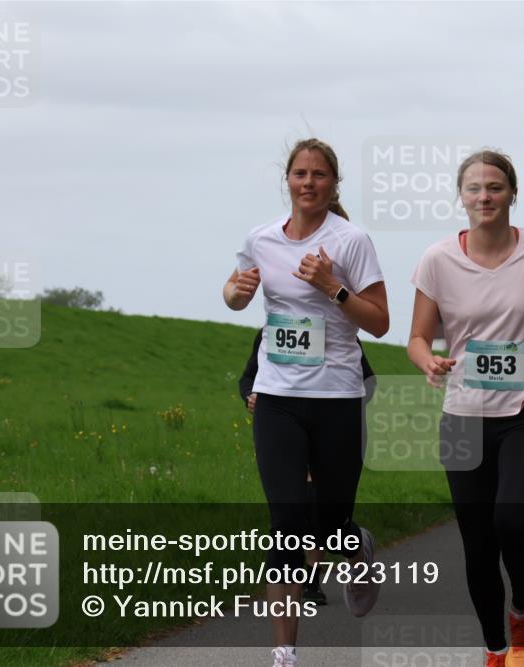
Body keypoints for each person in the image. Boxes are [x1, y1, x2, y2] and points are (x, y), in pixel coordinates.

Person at [408, 149, 524, 667]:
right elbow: (418, 336)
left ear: (513, 193)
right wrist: (429, 361)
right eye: (473, 189)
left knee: (512, 521)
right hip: (464, 411)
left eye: (495, 187)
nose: (484, 197)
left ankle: (523, 615)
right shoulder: (438, 259)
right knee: (478, 543)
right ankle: (495, 649)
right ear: (460, 197)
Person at [224, 138, 390, 667]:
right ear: (287, 180)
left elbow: (381, 323)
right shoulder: (261, 239)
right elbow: (232, 291)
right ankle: (284, 654)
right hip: (276, 397)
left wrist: (332, 288)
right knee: (287, 521)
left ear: (334, 184)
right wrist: (238, 293)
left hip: (337, 397)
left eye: (320, 175)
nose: (309, 183)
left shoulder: (352, 241)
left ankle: (355, 545)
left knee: (329, 522)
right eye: (300, 173)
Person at [238, 329, 377, 605]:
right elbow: (248, 378)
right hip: (287, 428)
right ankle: (310, 583)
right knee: (292, 513)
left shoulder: (341, 333)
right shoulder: (270, 332)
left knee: (326, 520)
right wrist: (251, 396)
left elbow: (368, 382)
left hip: (331, 429)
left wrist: (337, 410)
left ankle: (355, 548)